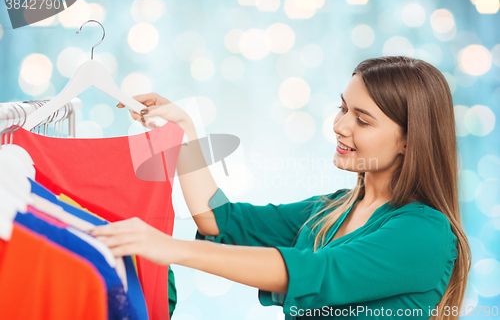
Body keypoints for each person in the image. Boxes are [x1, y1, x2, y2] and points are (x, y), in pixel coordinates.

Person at [90, 56, 471, 320]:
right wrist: (186, 132)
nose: (339, 126)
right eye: (343, 109)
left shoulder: (426, 233)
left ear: (409, 139)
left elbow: (316, 271)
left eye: (363, 120)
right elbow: (221, 221)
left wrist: (172, 250)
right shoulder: (332, 210)